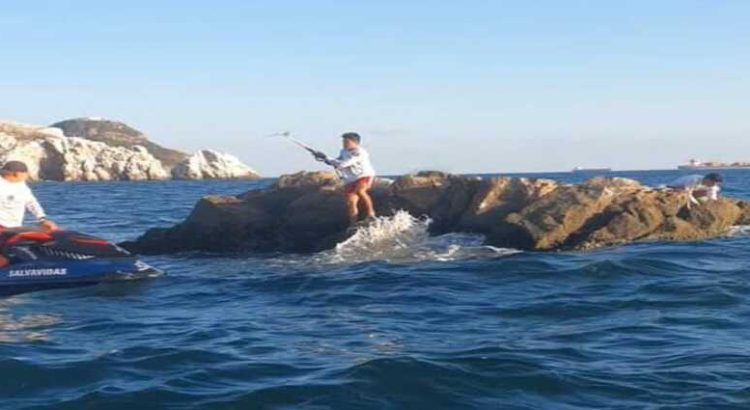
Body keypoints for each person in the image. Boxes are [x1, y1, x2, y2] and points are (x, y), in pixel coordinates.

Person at [314, 132, 377, 224]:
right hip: (350, 179)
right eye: (343, 141)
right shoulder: (343, 151)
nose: (343, 143)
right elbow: (337, 161)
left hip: (363, 175)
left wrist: (328, 159)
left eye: (346, 141)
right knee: (351, 202)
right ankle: (353, 223)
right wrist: (324, 158)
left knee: (360, 191)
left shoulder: (359, 152)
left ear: (354, 142)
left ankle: (371, 213)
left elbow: (343, 164)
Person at [0, 161, 59, 231]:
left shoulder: (21, 184)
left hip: (14, 226)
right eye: (26, 174)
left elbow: (31, 202)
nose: (27, 176)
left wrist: (42, 219)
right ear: (16, 174)